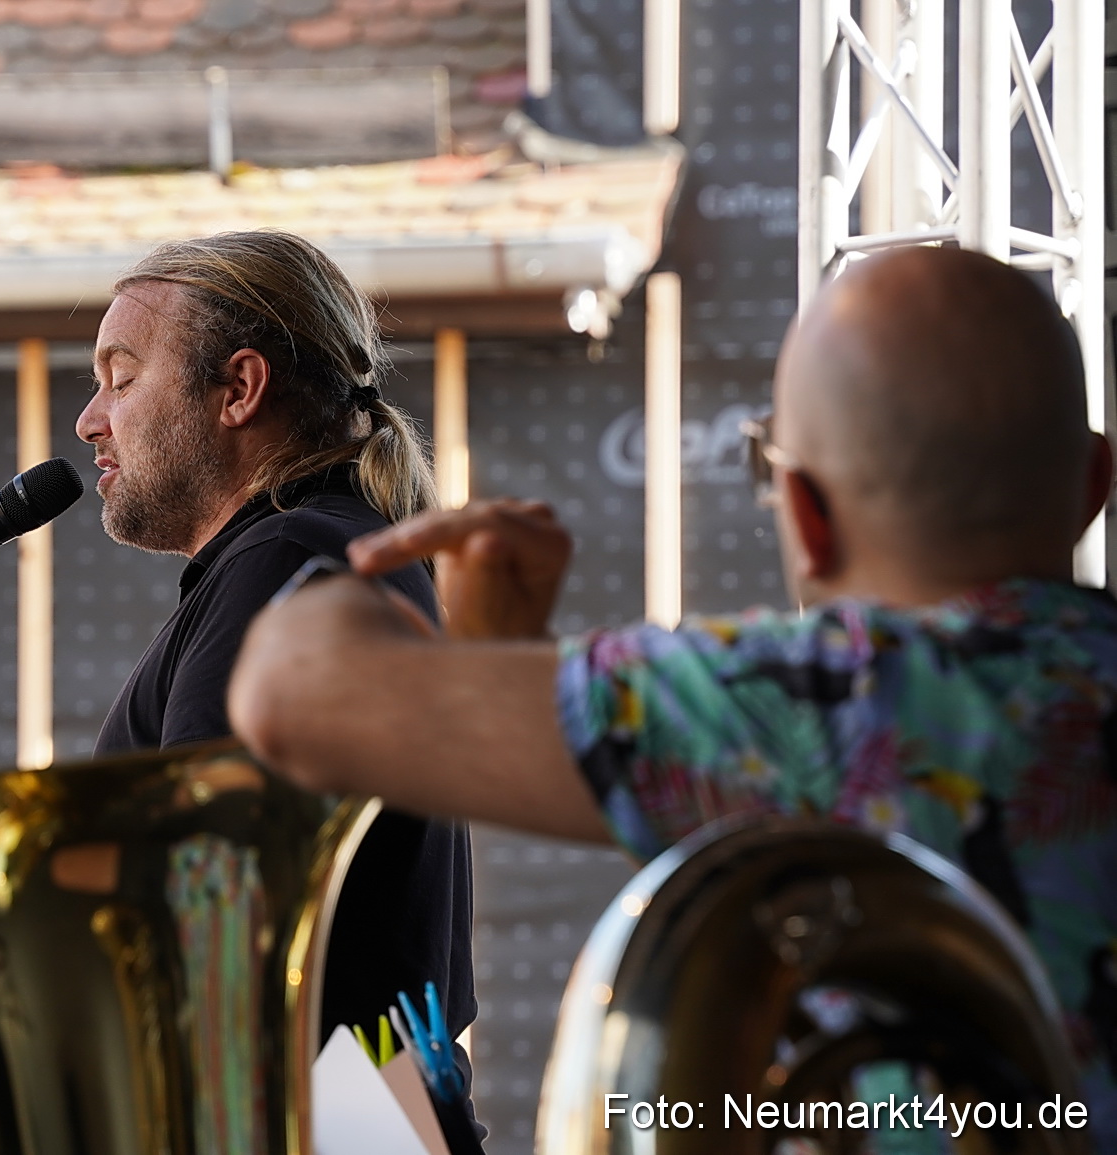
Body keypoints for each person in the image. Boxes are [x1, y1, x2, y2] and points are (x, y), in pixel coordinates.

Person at [226, 245, 1117, 1145]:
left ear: (805, 512)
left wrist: (335, 554)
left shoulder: (816, 702)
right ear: (1094, 485)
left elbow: (290, 691)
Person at [0, 231, 483, 1136]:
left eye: (121, 378)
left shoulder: (285, 567)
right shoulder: (320, 557)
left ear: (239, 391)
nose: (92, 420)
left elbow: (193, 937)